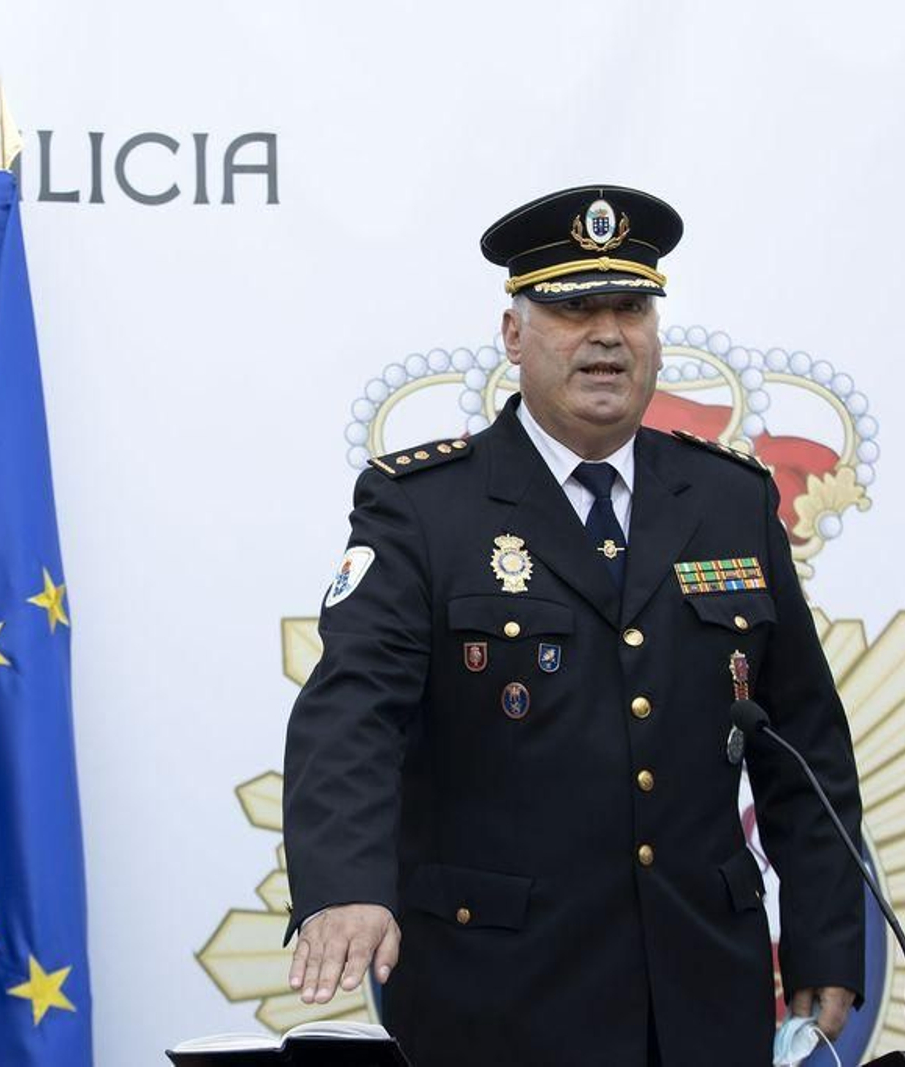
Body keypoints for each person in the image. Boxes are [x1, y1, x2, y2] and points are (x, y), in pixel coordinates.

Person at [282, 186, 865, 1065]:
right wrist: (347, 886)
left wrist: (825, 933)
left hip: (703, 992)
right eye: (571, 308)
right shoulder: (424, 509)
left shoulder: (729, 501)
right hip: (496, 996)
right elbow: (352, 711)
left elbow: (803, 743)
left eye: (630, 307)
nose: (606, 333)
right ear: (514, 335)